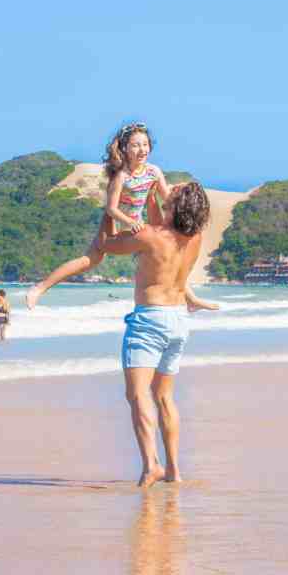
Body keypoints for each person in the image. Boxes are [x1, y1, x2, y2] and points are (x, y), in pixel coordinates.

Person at [94, 181, 214, 489]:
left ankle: (151, 466)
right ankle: (174, 469)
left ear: (175, 204)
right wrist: (148, 197)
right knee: (164, 396)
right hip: (178, 320)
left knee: (137, 394)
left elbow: (106, 244)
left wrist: (110, 208)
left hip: (149, 320)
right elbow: (161, 225)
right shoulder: (195, 238)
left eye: (172, 191)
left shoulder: (151, 237)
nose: (167, 189)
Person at [26, 123, 216, 313]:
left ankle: (190, 299)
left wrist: (179, 213)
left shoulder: (154, 171)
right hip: (120, 220)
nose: (142, 149)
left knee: (173, 255)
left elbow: (167, 198)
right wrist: (129, 222)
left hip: (139, 221)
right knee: (90, 260)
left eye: (145, 144)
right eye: (135, 145)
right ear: (124, 148)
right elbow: (111, 208)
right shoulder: (122, 176)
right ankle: (40, 288)